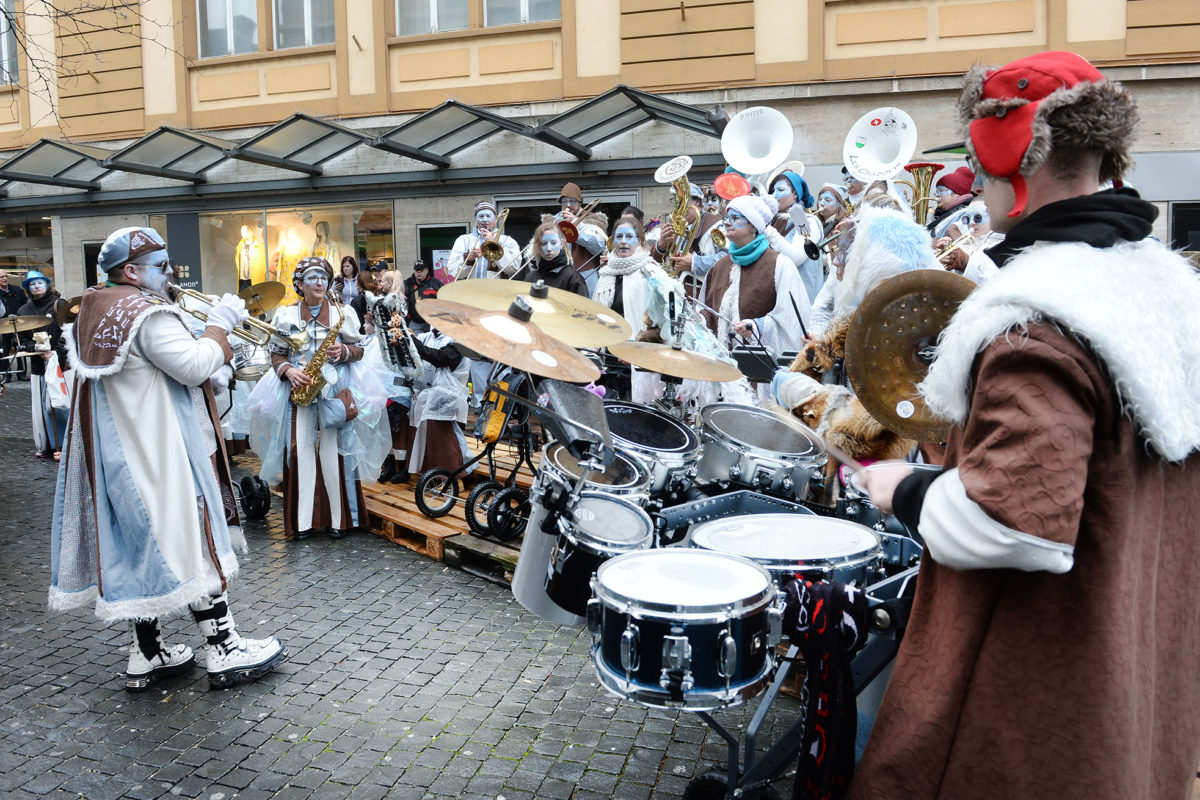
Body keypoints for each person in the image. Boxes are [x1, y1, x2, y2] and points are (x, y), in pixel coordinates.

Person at [849, 51, 1200, 799]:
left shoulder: (1039, 322)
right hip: (1129, 662)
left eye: (978, 159)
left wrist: (903, 486)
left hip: (1041, 686)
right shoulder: (1163, 291)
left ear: (1024, 158)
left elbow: (1014, 526)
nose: (971, 181)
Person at [49, 226, 287, 692]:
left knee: (143, 551)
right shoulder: (145, 313)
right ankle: (225, 648)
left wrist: (206, 370)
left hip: (121, 459)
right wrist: (219, 325)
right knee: (195, 542)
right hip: (163, 453)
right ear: (131, 271)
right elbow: (192, 365)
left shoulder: (96, 308)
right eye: (160, 266)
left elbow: (153, 374)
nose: (171, 273)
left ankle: (148, 652)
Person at [251, 257, 389, 541]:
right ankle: (302, 523)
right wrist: (288, 370)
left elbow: (359, 348)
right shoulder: (285, 317)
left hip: (333, 389)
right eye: (313, 278)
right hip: (298, 390)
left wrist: (344, 352)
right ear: (299, 284)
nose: (320, 282)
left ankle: (339, 520)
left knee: (333, 453)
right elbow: (275, 354)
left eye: (324, 277)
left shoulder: (344, 312)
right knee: (298, 452)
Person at [700, 193, 811, 359]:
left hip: (761, 371)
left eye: (735, 217)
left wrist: (757, 327)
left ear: (754, 226)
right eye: (727, 217)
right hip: (723, 369)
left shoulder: (780, 264)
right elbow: (707, 308)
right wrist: (700, 317)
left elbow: (791, 318)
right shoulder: (719, 267)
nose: (727, 222)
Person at [17, 270, 69, 458]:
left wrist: (56, 354)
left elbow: (69, 332)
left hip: (61, 366)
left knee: (63, 404)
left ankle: (66, 444)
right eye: (32, 284)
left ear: (47, 284)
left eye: (40, 282)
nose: (36, 286)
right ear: (28, 289)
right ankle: (49, 445)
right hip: (39, 368)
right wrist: (37, 348)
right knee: (43, 408)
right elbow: (22, 340)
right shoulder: (24, 311)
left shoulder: (59, 305)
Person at [765, 169, 825, 303]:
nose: (774, 195)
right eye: (773, 191)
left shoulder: (804, 219)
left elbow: (796, 258)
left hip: (802, 301)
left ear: (795, 194)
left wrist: (766, 229)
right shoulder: (776, 220)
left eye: (780, 190)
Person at [447, 201, 520, 281]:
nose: (485, 219)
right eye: (481, 216)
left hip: (497, 291)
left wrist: (496, 244)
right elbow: (453, 272)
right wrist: (468, 259)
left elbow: (514, 269)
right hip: (470, 291)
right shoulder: (463, 240)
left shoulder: (507, 241)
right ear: (475, 219)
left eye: (488, 216)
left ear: (495, 218)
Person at [555, 182, 607, 293]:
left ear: (580, 203)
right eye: (564, 201)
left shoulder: (593, 219)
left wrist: (575, 226)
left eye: (572, 201)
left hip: (587, 276)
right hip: (561, 276)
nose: (568, 205)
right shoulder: (555, 219)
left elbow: (600, 248)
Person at [515, 220, 589, 297]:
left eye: (553, 243)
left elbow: (583, 307)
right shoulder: (530, 277)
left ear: (561, 244)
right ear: (538, 246)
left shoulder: (573, 277)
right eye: (544, 243)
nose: (549, 248)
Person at [926, 165, 975, 236]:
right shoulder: (939, 213)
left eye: (941, 190)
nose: (937, 195)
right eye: (937, 191)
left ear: (957, 195)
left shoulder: (963, 214)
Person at [403, 259, 442, 334]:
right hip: (415, 322)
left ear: (427, 270)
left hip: (432, 322)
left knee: (431, 344)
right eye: (417, 270)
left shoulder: (436, 283)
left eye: (421, 270)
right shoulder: (408, 283)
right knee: (416, 343)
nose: (419, 272)